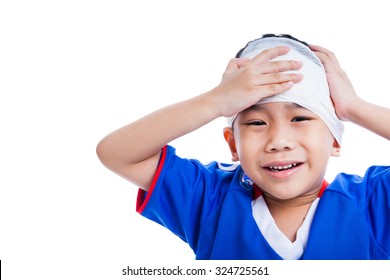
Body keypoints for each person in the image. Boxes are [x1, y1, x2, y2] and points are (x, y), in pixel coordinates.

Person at [96, 34, 390, 260]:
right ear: (233, 145)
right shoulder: (209, 199)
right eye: (257, 123)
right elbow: (117, 154)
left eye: (300, 117)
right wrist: (216, 101)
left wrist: (353, 107)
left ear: (335, 139)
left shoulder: (373, 204)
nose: (278, 141)